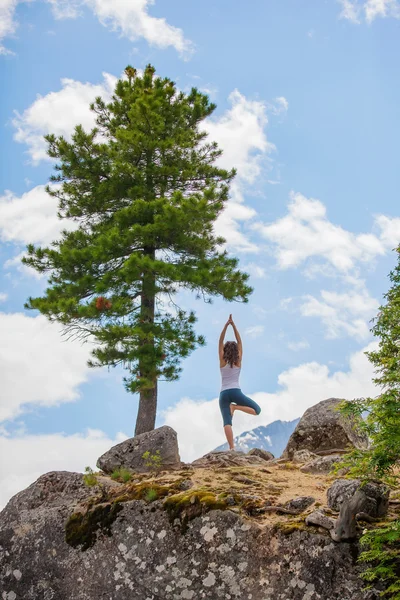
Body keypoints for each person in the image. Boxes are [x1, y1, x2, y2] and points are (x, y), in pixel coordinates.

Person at [218, 314, 261, 450]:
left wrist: (225, 326)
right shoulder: (238, 360)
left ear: (224, 351)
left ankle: (232, 448)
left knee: (227, 422)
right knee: (256, 410)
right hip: (236, 392)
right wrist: (234, 326)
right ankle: (235, 407)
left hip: (224, 394)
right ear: (236, 351)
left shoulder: (222, 361)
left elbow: (220, 342)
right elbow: (240, 342)